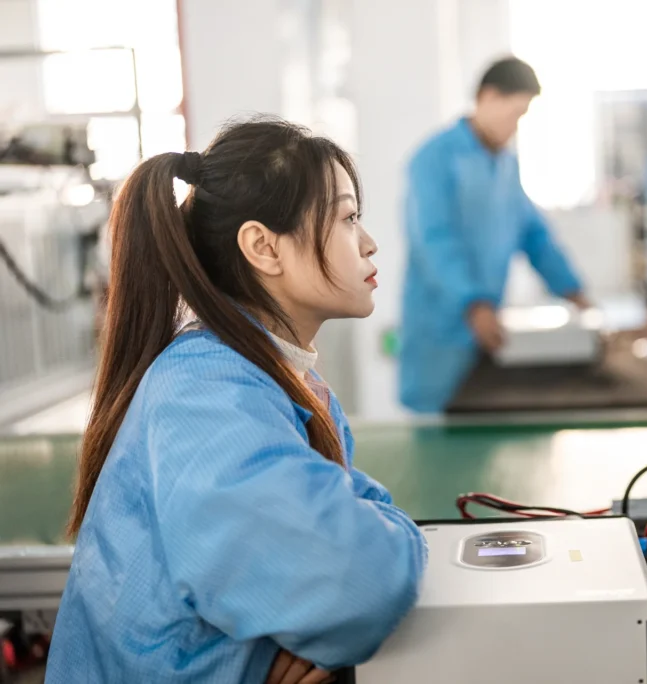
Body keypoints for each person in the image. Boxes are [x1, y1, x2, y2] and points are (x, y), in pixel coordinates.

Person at [46, 118, 427, 683]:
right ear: (263, 247)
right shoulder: (206, 399)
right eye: (348, 218)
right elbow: (362, 577)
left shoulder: (262, 377)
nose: (368, 243)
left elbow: (359, 524)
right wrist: (381, 558)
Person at [399, 56, 590, 413]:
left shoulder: (506, 164)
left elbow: (534, 235)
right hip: (440, 333)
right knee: (434, 444)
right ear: (487, 97)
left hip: (486, 334)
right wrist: (474, 305)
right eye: (515, 113)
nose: (516, 126)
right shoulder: (434, 158)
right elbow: (434, 241)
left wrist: (574, 291)